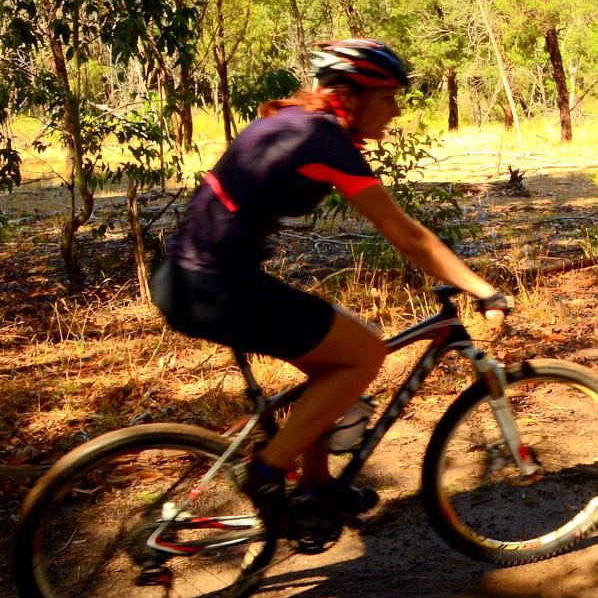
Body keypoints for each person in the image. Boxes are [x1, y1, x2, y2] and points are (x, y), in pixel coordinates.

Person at [153, 38, 510, 527]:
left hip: (186, 278)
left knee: (336, 355)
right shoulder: (322, 141)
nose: (396, 109)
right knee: (363, 353)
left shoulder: (290, 123)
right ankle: (267, 471)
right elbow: (407, 236)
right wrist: (482, 289)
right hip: (216, 288)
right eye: (387, 96)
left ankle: (316, 484)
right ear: (353, 94)